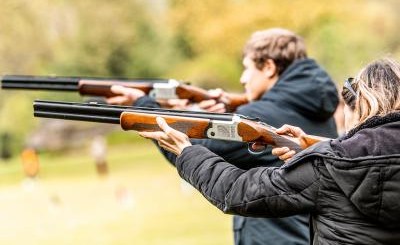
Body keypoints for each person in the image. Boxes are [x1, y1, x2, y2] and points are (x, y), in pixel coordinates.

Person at [107, 28, 339, 245]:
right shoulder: (318, 109)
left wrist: (143, 105)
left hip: (274, 237)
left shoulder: (259, 114)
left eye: (247, 68)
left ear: (268, 67)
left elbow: (191, 149)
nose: (242, 79)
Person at [138, 58, 400, 244]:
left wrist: (187, 152)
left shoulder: (328, 167)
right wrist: (315, 146)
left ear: (361, 105)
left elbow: (238, 191)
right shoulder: (329, 159)